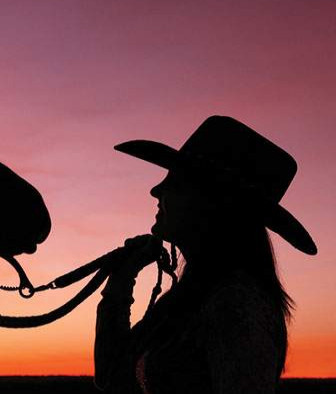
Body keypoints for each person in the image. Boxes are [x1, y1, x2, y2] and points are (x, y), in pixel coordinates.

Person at [94, 116, 317, 394]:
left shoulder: (236, 304)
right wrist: (121, 279)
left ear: (208, 201)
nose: (157, 190)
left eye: (174, 181)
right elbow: (112, 375)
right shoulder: (193, 298)